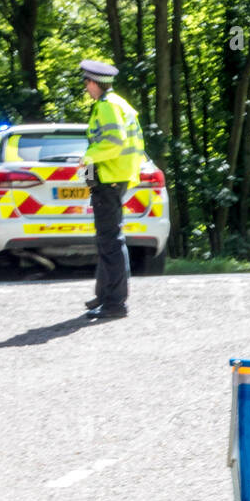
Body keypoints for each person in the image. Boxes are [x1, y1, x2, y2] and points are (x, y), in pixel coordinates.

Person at [78, 58, 144, 319]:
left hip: (110, 178)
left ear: (95, 83)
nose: (85, 87)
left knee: (111, 241)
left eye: (86, 82)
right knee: (108, 240)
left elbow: (115, 142)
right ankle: (104, 296)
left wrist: (88, 157)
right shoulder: (117, 104)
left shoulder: (107, 107)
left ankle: (115, 303)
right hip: (116, 176)